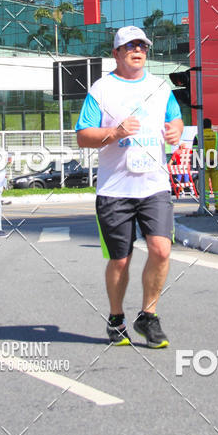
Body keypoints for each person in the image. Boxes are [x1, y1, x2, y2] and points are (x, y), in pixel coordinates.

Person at [76, 25, 183, 348]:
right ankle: (116, 317)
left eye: (143, 46)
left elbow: (175, 118)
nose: (138, 51)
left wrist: (176, 131)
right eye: (130, 46)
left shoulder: (161, 86)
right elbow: (83, 136)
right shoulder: (101, 89)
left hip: (154, 185)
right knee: (120, 259)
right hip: (115, 189)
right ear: (117, 53)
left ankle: (148, 317)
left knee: (161, 249)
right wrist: (117, 132)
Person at [199, 118, 218, 212]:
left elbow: (195, 151)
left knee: (205, 188)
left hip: (203, 166)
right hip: (215, 165)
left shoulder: (198, 137)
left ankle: (205, 206)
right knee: (217, 187)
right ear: (211, 125)